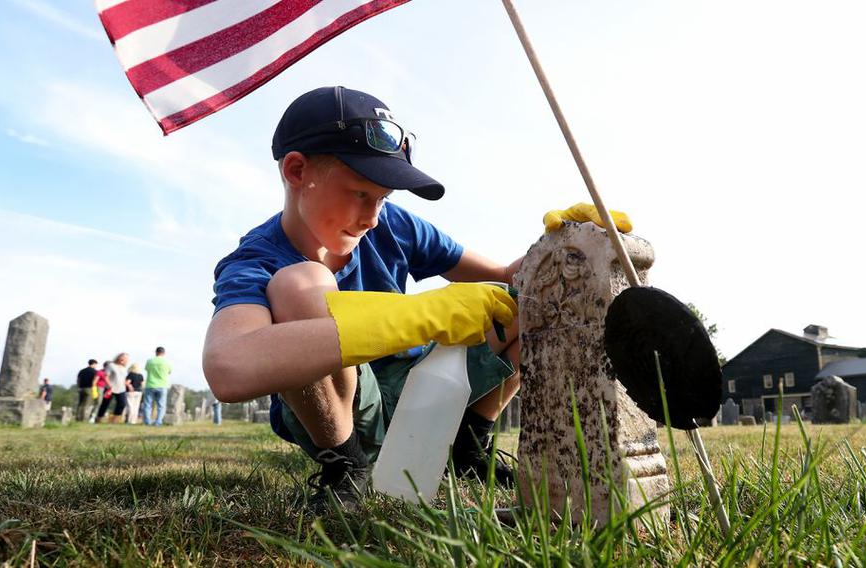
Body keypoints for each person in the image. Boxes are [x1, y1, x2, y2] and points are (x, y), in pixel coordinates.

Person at [202, 86, 631, 512]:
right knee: (298, 285)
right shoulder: (257, 259)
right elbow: (229, 368)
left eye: (383, 198)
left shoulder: (391, 224)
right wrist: (420, 316)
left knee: (523, 302)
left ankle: (467, 450)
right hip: (344, 413)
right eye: (360, 194)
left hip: (425, 392)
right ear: (297, 171)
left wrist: (561, 245)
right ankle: (347, 468)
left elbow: (504, 276)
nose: (372, 217)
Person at [142, 347, 172, 426]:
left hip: (150, 384)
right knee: (161, 405)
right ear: (164, 353)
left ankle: (147, 422)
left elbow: (147, 369)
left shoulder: (150, 361)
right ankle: (158, 422)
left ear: (156, 352)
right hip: (162, 385)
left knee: (148, 404)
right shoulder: (166, 362)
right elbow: (169, 372)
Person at [104, 353, 130, 424]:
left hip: (121, 389)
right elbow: (106, 376)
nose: (126, 360)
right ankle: (99, 419)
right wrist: (109, 385)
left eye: (127, 359)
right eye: (125, 359)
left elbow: (123, 378)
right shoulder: (111, 365)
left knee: (122, 403)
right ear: (119, 358)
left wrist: (128, 385)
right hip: (110, 388)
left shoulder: (124, 368)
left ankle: (114, 420)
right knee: (105, 404)